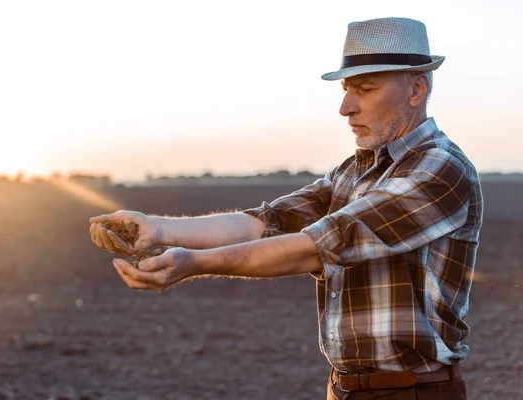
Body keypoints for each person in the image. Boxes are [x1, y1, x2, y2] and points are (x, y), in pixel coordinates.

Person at [89, 17, 483, 399]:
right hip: (347, 389)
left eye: (364, 88)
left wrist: (195, 263)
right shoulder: (352, 172)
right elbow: (266, 222)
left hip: (415, 392)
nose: (345, 107)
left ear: (416, 90)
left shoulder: (440, 168)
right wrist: (157, 229)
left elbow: (317, 245)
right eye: (346, 88)